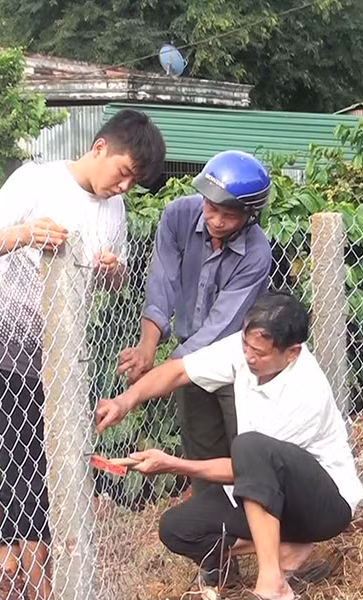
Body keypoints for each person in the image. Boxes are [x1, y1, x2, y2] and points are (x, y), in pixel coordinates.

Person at [0, 108, 165, 597]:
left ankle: (15, 563)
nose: (123, 188)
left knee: (56, 458)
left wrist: (112, 269)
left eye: (132, 183)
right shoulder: (36, 181)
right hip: (11, 346)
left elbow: (113, 284)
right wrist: (28, 234)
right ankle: (39, 581)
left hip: (68, 355)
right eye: (122, 174)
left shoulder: (114, 210)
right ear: (99, 148)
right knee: (22, 462)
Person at [98, 292, 363, 600]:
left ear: (291, 353)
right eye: (246, 346)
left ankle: (272, 584)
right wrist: (123, 401)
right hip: (266, 493)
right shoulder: (246, 348)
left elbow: (245, 470)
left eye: (259, 353)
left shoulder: (305, 390)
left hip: (322, 503)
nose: (249, 356)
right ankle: (287, 549)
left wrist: (172, 465)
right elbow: (179, 371)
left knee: (249, 447)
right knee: (177, 528)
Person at [116, 150, 273, 498]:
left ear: (250, 215)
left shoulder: (257, 253)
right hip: (186, 354)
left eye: (228, 215)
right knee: (200, 452)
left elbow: (220, 327)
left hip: (237, 360)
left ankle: (258, 532)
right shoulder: (178, 216)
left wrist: (159, 376)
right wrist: (147, 348)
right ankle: (212, 540)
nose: (215, 220)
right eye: (210, 208)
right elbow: (162, 283)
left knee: (246, 452)